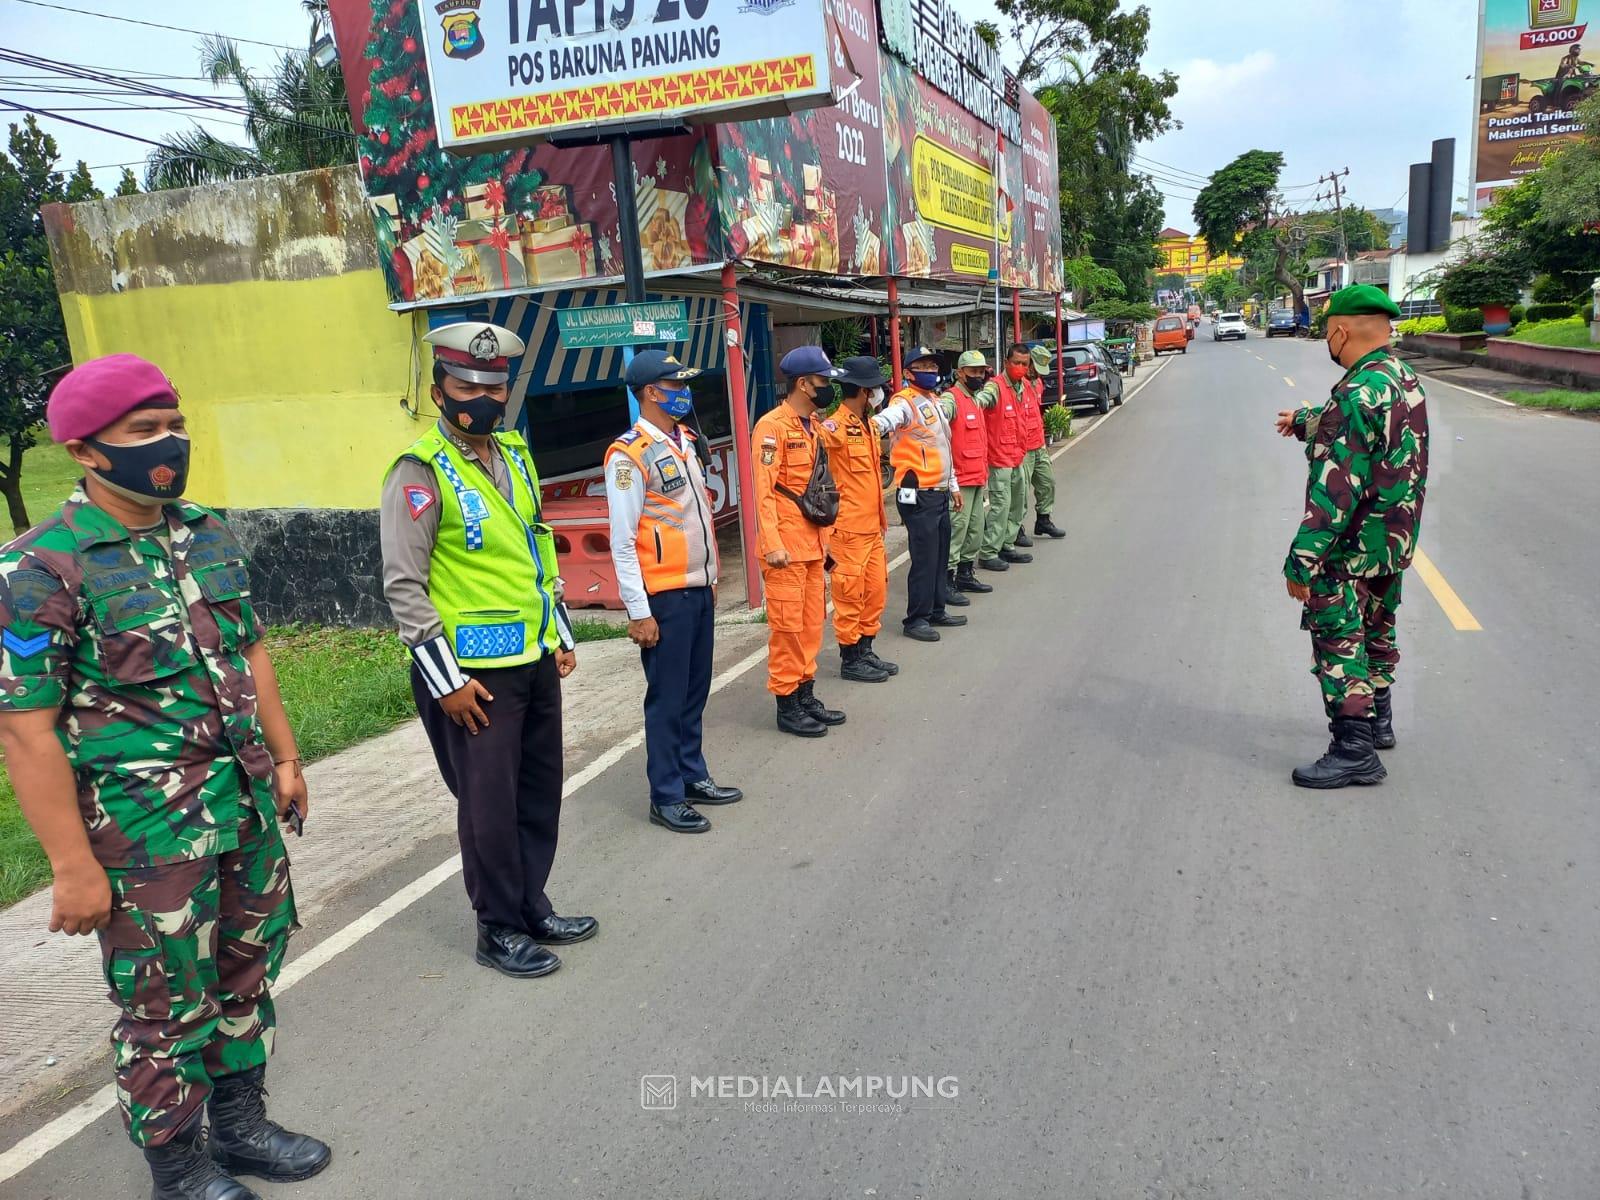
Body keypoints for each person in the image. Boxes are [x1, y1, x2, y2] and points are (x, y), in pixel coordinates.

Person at [0, 354, 330, 1199]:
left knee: (248, 972)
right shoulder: (41, 567)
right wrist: (72, 869)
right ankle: (179, 1171)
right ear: (85, 450)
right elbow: (25, 729)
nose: (170, 443)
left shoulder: (205, 530)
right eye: (144, 432)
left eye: (174, 424)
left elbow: (250, 646)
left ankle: (243, 1127)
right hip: (146, 838)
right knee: (163, 1009)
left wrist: (287, 759)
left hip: (245, 807)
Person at [380, 321, 595, 978]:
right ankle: (496, 927)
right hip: (471, 676)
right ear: (440, 389)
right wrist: (445, 680)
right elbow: (404, 585)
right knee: (488, 805)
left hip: (529, 660)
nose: (481, 396)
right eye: (466, 384)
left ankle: (531, 903)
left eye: (493, 386)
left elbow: (534, 543)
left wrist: (556, 630)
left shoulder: (515, 453)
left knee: (538, 790)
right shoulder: (418, 472)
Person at [1275, 284, 1429, 788]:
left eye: (1327, 332)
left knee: (1340, 642)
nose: (1327, 340)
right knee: (1379, 633)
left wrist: (1302, 561)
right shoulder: (1400, 380)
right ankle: (1379, 721)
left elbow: (1336, 489)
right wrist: (1305, 422)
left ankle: (1354, 749)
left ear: (1340, 330)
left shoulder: (1356, 392)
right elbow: (1365, 432)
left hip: (1349, 550)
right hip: (1391, 544)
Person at [605, 349, 742, 834]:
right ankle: (665, 796)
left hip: (697, 590)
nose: (683, 392)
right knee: (666, 700)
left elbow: (694, 516)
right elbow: (622, 542)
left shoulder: (684, 441)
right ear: (650, 393)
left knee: (693, 692)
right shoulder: (628, 456)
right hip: (663, 598)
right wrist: (637, 612)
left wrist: (710, 579)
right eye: (674, 385)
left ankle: (692, 775)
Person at [753, 346, 849, 736]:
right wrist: (772, 543)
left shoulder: (812, 426)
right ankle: (786, 702)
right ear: (802, 384)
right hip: (785, 551)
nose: (828, 388)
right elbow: (762, 491)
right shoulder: (772, 427)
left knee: (811, 625)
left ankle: (806, 692)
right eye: (823, 381)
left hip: (812, 545)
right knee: (787, 627)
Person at [874, 346, 967, 642]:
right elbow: (886, 420)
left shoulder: (935, 401)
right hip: (918, 493)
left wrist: (952, 486)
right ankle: (916, 619)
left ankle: (937, 608)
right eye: (922, 366)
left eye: (932, 365)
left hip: (938, 491)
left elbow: (943, 448)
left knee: (940, 554)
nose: (930, 370)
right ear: (908, 372)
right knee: (925, 558)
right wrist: (868, 425)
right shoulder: (904, 402)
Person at [819, 356, 898, 683]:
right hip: (848, 531)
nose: (879, 392)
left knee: (875, 592)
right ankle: (850, 658)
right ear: (865, 391)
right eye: (876, 387)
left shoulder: (868, 425)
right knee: (849, 596)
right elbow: (812, 447)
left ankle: (866, 649)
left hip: (872, 527)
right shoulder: (834, 428)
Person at [942, 351, 996, 598]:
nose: (978, 376)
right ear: (960, 373)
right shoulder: (951, 399)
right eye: (973, 371)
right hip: (960, 481)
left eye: (981, 371)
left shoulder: (975, 399)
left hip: (977, 477)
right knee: (957, 531)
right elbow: (940, 414)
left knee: (975, 530)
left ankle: (965, 574)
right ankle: (947, 580)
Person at [979, 344, 1036, 571]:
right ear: (1006, 363)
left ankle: (1007, 544)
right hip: (999, 458)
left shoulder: (1024, 387)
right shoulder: (995, 387)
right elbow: (983, 398)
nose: (1021, 367)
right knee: (1000, 506)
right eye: (1016, 363)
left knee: (1018, 504)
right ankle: (989, 552)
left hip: (1018, 455)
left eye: (1025, 364)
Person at [1023, 345, 1066, 540]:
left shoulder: (1037, 383)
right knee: (1020, 493)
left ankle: (1043, 520)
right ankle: (1015, 530)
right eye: (1034, 368)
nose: (1035, 373)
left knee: (1047, 483)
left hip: (1038, 443)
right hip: (1021, 448)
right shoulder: (1016, 385)